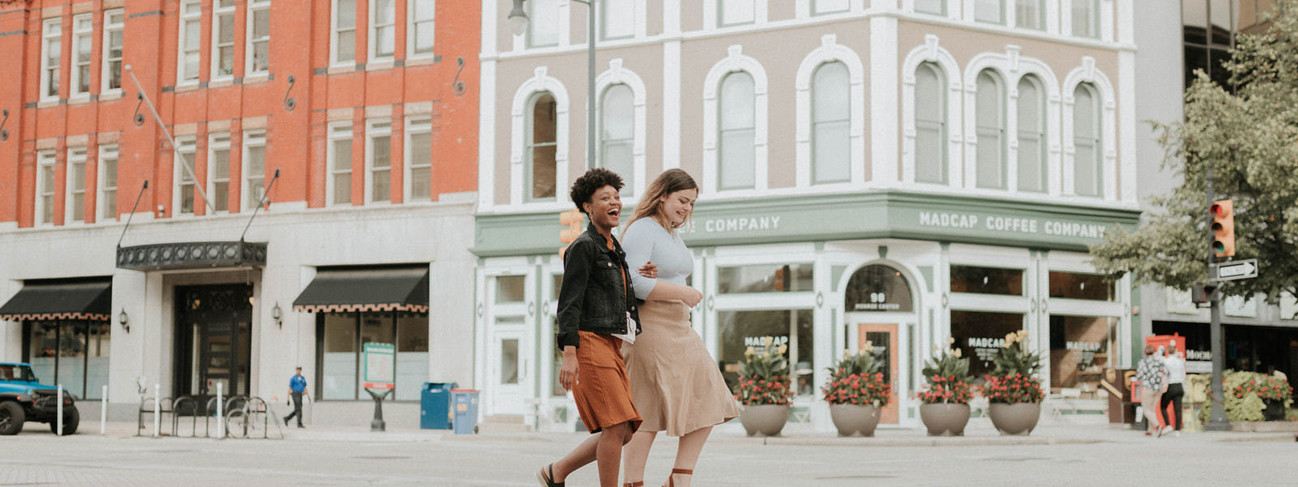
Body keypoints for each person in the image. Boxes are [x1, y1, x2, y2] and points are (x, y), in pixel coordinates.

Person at [620, 169, 739, 487]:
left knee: (709, 396)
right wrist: (684, 293)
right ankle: (633, 482)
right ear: (662, 196)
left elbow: (655, 273)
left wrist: (678, 294)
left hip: (678, 325)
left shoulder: (670, 233)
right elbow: (632, 281)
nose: (687, 208)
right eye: (682, 200)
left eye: (692, 203)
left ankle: (679, 477)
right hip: (651, 325)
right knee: (647, 409)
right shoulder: (643, 228)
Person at [538, 168, 643, 487]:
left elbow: (617, 295)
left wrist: (641, 276)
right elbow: (569, 302)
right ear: (588, 207)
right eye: (604, 198)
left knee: (623, 430)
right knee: (615, 425)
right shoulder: (583, 247)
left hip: (612, 343)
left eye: (616, 197)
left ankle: (556, 472)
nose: (614, 203)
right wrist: (569, 353)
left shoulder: (614, 249)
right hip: (588, 341)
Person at [1135, 345, 1168, 437]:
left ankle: (1157, 426)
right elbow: (1166, 373)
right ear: (1154, 352)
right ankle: (1150, 430)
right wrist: (1164, 383)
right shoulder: (1159, 361)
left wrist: (1140, 383)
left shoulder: (1143, 362)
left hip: (1148, 387)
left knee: (1146, 410)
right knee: (1152, 410)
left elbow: (1139, 375)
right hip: (1158, 388)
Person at [1160, 343, 1186, 436]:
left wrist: (1162, 385)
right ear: (1175, 351)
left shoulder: (1165, 361)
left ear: (1167, 351)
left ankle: (1168, 425)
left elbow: (1165, 374)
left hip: (1171, 385)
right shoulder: (1181, 361)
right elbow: (1183, 375)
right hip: (1179, 385)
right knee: (1177, 409)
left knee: (1163, 406)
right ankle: (1177, 430)